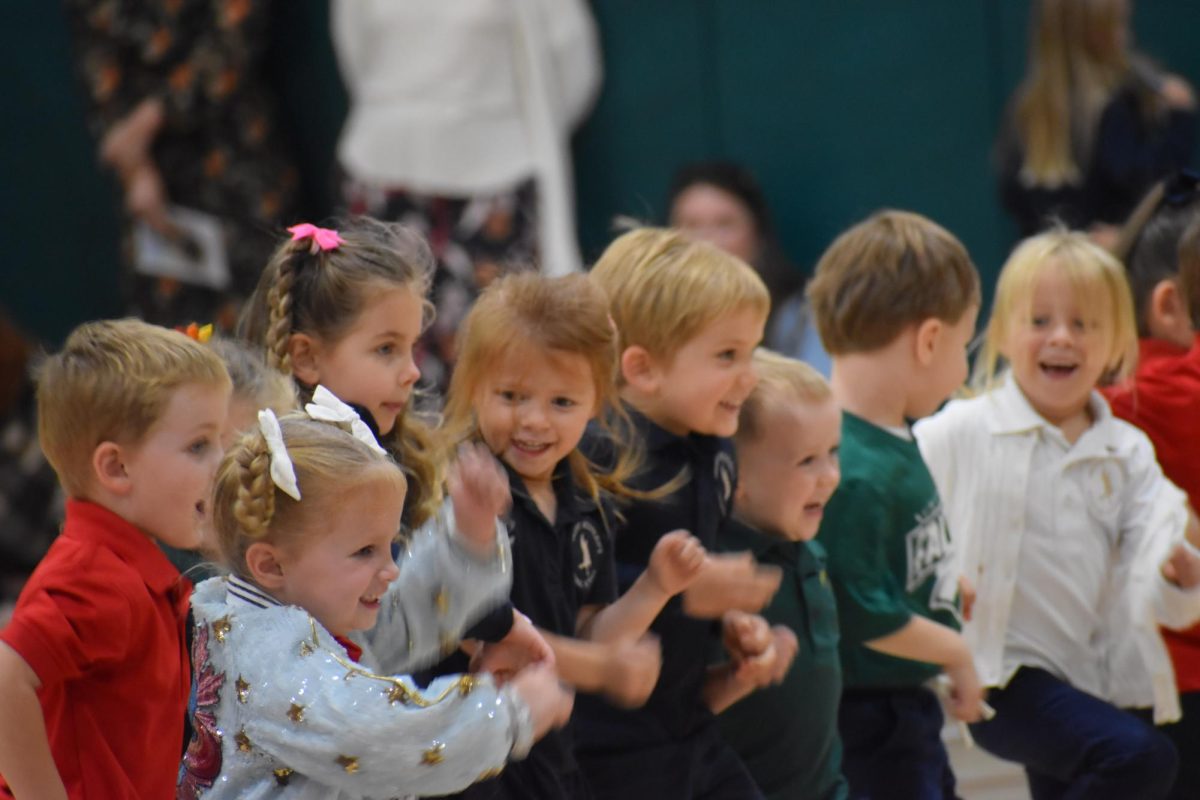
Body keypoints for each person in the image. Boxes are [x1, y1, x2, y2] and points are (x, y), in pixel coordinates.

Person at [915, 229, 1200, 799]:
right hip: (1004, 674)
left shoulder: (1128, 451)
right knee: (1139, 758)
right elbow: (904, 521)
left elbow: (1163, 582)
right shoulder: (961, 431)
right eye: (1040, 321)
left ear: (1117, 341)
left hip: (1102, 678)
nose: (1061, 338)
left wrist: (1182, 579)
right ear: (1002, 332)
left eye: (1084, 324)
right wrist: (941, 586)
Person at [179, 408, 574, 798]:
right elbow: (373, 736)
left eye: (390, 546)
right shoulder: (268, 656)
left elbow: (397, 622)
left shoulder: (300, 608)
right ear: (270, 565)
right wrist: (506, 714)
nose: (390, 570)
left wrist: (469, 537)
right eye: (365, 551)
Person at [435, 271, 707, 799]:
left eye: (561, 403)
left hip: (551, 754)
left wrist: (655, 586)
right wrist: (603, 670)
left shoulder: (585, 496)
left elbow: (591, 630)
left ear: (596, 401)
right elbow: (472, 631)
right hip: (468, 760)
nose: (534, 421)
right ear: (473, 387)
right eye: (512, 395)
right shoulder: (466, 488)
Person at [239, 218, 548, 682]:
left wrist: (493, 618)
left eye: (412, 349)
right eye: (386, 350)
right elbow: (378, 630)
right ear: (305, 357)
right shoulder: (283, 477)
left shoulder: (401, 449)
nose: (412, 373)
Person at [574, 227, 796, 800]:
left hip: (688, 725)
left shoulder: (716, 446)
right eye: (727, 355)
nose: (750, 377)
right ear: (643, 369)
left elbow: (700, 567)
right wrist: (685, 588)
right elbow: (571, 606)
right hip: (607, 748)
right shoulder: (595, 458)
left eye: (753, 351)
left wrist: (729, 623)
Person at [0, 318, 231, 799]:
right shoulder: (96, 576)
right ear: (116, 468)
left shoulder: (126, 569)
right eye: (199, 445)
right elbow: (4, 681)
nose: (223, 465)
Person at [804, 209, 985, 799]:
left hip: (899, 711)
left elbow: (879, 573)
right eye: (965, 347)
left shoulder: (884, 440)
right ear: (930, 340)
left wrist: (935, 590)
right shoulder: (852, 468)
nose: (963, 370)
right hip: (873, 720)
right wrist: (955, 652)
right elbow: (861, 611)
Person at [331, 0, 602, 391]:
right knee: (380, 337)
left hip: (493, 180)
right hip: (383, 178)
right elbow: (354, 50)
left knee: (497, 348)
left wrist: (482, 119)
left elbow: (572, 61)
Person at [63, 0, 301, 330]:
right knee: (170, 348)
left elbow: (233, 38)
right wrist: (135, 170)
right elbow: (96, 56)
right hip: (151, 183)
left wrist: (145, 125)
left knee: (263, 326)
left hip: (236, 162)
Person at [1098, 177, 1200, 800]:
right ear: (1170, 306)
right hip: (1178, 689)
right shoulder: (1167, 394)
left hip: (1105, 687)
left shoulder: (1089, 398)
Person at [714, 349, 848, 800]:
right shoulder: (718, 577)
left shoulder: (809, 550)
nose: (830, 476)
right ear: (733, 476)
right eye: (806, 461)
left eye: (833, 452)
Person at [995, 0, 1196, 242]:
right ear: (1099, 35)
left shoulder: (1025, 110)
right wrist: (1180, 123)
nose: (1127, 36)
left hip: (1046, 265)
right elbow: (1153, 188)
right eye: (1119, 24)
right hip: (1108, 268)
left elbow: (1012, 196)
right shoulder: (1117, 109)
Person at [667, 161, 829, 376]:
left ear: (758, 235)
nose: (707, 241)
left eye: (724, 224)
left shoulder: (801, 316)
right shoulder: (653, 318)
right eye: (691, 225)